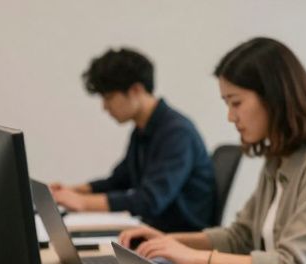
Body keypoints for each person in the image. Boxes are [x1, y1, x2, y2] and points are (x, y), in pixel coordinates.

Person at [119, 37, 306, 264]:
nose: (230, 116)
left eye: (236, 102)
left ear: (274, 98)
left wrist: (196, 258)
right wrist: (169, 241)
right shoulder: (279, 158)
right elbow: (240, 236)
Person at [53, 48, 216, 232]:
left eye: (109, 98)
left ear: (136, 90)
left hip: (178, 239)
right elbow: (118, 181)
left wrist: (82, 203)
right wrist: (71, 191)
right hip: (152, 233)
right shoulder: (142, 129)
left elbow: (150, 200)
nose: (105, 107)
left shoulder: (177, 133)